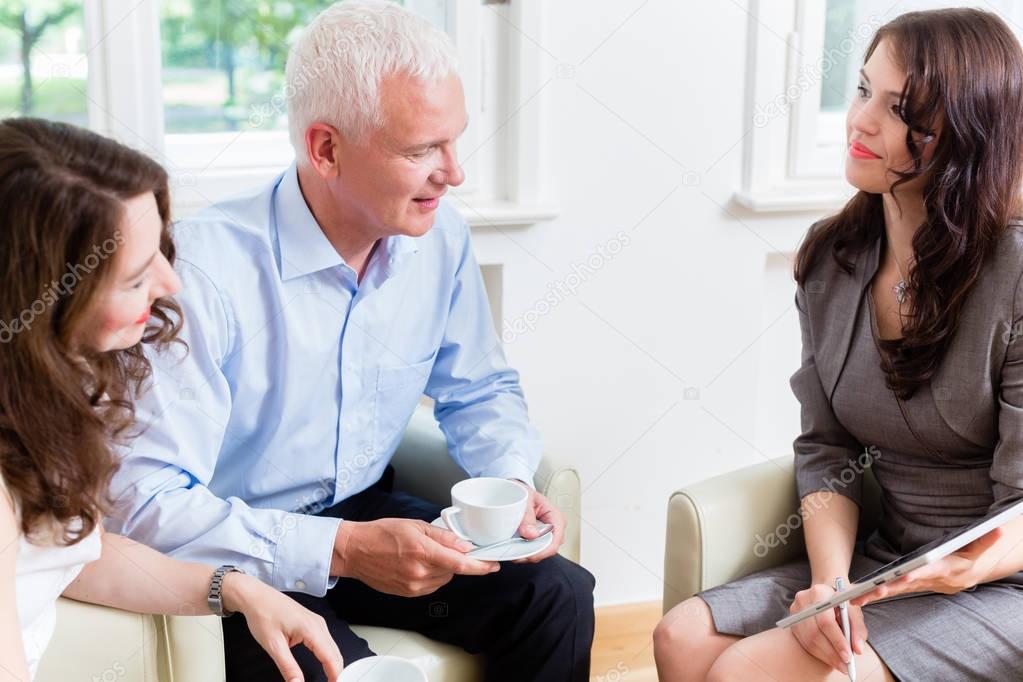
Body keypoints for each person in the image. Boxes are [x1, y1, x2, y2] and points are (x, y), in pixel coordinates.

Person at [105, 3, 595, 681]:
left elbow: (478, 387)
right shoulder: (199, 276)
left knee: (558, 595)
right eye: (422, 149)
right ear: (325, 149)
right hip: (229, 545)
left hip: (364, 510)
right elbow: (147, 501)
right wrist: (341, 547)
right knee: (348, 671)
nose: (452, 173)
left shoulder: (438, 236)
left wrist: (507, 483)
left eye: (454, 141)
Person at [654, 8, 1023, 681]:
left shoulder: (1015, 274)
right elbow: (827, 449)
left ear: (965, 135)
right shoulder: (834, 258)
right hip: (887, 558)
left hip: (1002, 580)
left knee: (749, 672)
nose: (859, 121)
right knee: (682, 639)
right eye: (861, 91)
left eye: (898, 108)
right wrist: (829, 586)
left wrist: (958, 567)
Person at [0, 117, 343, 682]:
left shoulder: (45, 394)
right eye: (135, 277)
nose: (171, 282)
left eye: (162, 249)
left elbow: (73, 551)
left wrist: (233, 588)